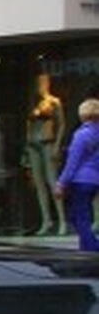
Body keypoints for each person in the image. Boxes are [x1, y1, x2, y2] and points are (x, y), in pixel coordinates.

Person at [23, 75, 64, 236]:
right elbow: (28, 125)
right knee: (39, 184)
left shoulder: (54, 101)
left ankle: (62, 220)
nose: (40, 85)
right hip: (33, 144)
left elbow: (61, 125)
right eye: (38, 82)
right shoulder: (32, 104)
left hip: (48, 142)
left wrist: (57, 145)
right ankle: (46, 221)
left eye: (43, 82)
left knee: (53, 182)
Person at [57, 97, 99, 253]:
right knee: (85, 216)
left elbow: (73, 161)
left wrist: (61, 183)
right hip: (95, 180)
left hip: (81, 180)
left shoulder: (82, 135)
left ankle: (93, 248)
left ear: (83, 115)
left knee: (78, 217)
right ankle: (85, 250)